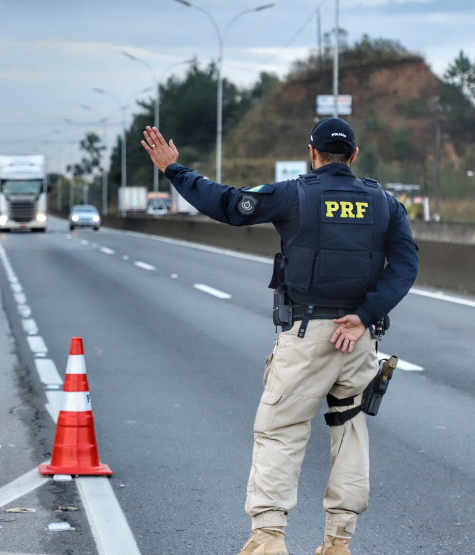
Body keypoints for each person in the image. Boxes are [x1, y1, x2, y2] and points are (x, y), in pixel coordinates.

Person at [141, 119, 418, 555]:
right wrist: (364, 317)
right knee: (350, 431)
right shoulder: (385, 204)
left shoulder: (297, 194)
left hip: (308, 334)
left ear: (313, 152)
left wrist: (175, 170)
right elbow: (405, 268)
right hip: (360, 338)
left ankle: (268, 540)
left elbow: (231, 205)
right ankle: (337, 544)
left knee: (280, 430)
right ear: (355, 155)